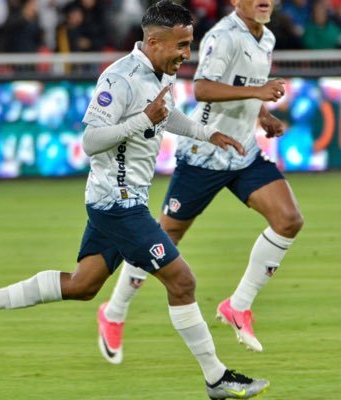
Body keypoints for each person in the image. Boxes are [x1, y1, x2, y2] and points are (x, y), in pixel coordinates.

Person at [0, 1, 269, 398]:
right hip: (117, 205)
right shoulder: (118, 79)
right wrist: (143, 120)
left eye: (189, 44)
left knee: (84, 285)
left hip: (121, 201)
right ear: (153, 41)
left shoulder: (157, 73)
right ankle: (216, 377)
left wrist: (206, 135)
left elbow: (165, 114)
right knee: (182, 281)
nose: (187, 54)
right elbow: (90, 140)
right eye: (181, 46)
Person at [97, 0, 304, 365]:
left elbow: (246, 85)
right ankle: (113, 312)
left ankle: (238, 306)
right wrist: (257, 95)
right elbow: (204, 88)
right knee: (164, 238)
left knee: (289, 219)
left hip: (243, 151)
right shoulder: (223, 36)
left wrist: (263, 113)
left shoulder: (266, 37)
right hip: (204, 154)